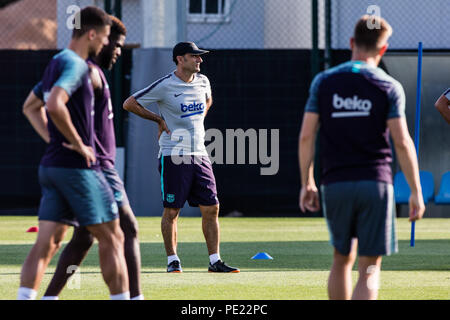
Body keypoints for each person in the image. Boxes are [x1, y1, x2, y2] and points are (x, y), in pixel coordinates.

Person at [298, 15, 425, 300]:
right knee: (369, 268)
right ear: (383, 50)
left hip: (335, 183)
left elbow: (306, 136)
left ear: (352, 43)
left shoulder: (324, 82)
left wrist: (307, 182)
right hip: (375, 184)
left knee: (341, 258)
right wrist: (416, 191)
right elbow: (402, 142)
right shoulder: (389, 86)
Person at [23, 16, 143, 300]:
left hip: (83, 166)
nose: (115, 50)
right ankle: (134, 297)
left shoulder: (80, 69)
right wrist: (74, 144)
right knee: (124, 230)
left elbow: (34, 103)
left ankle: (48, 296)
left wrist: (59, 141)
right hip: (95, 168)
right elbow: (48, 104)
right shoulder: (83, 70)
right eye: (113, 43)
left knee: (78, 238)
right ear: (95, 37)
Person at [123, 42, 239, 273]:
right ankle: (172, 260)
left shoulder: (203, 81)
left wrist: (198, 122)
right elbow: (129, 103)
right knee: (172, 210)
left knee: (212, 207)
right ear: (179, 59)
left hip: (200, 154)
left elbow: (208, 100)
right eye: (194, 56)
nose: (199, 60)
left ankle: (215, 260)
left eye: (199, 56)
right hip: (174, 155)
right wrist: (158, 119)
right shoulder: (166, 85)